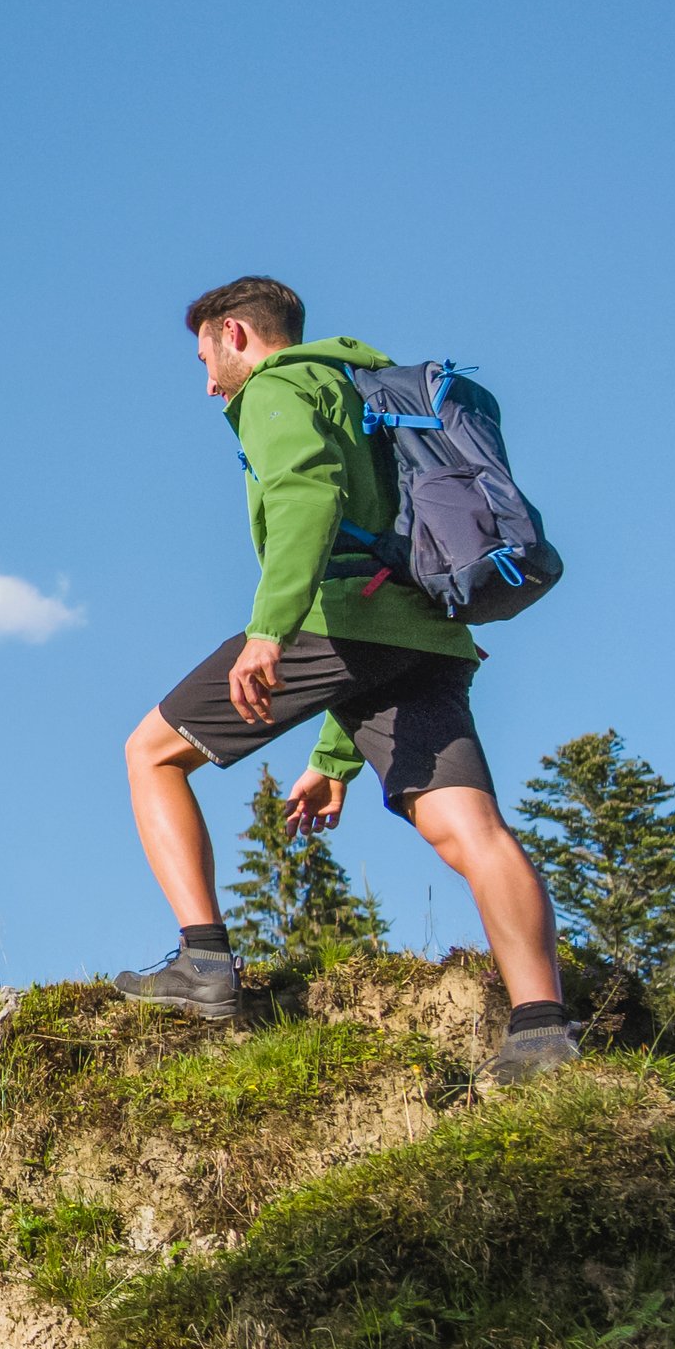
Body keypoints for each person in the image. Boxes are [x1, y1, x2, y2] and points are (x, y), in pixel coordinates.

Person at [114, 275, 577, 1084]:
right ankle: (541, 1031)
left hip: (336, 615)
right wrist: (333, 761)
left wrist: (269, 632)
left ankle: (203, 961)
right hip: (429, 631)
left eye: (206, 357)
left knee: (150, 752)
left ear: (238, 334)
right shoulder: (365, 388)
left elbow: (307, 495)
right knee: (470, 829)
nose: (208, 379)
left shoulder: (278, 387)